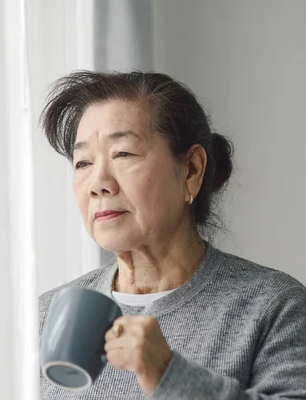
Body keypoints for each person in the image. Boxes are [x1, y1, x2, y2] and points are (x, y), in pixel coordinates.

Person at [38, 71, 306, 399]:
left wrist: (168, 373)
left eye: (122, 154)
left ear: (191, 170)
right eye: (83, 163)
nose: (98, 183)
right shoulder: (46, 315)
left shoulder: (273, 306)